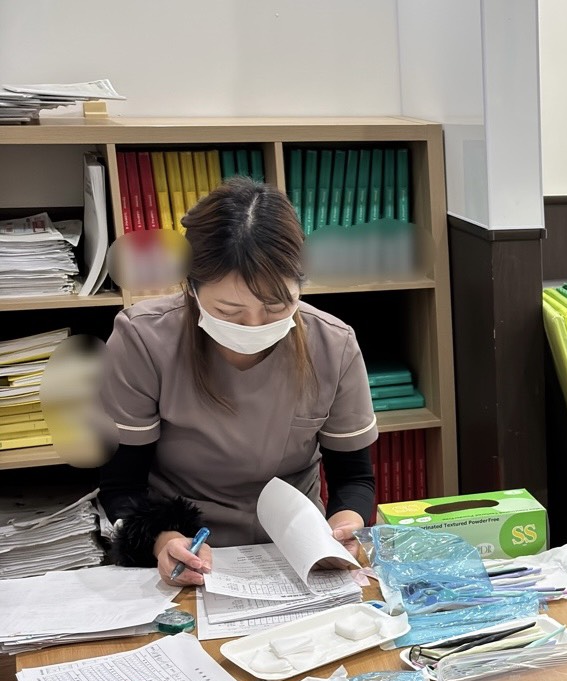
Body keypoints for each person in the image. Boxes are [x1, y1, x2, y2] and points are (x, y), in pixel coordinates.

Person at [100, 177, 378, 586]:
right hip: (182, 552)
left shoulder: (333, 345)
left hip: (297, 556)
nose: (254, 326)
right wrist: (164, 542)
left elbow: (354, 478)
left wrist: (343, 529)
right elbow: (121, 486)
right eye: (229, 312)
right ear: (192, 289)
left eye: (276, 306)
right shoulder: (143, 339)